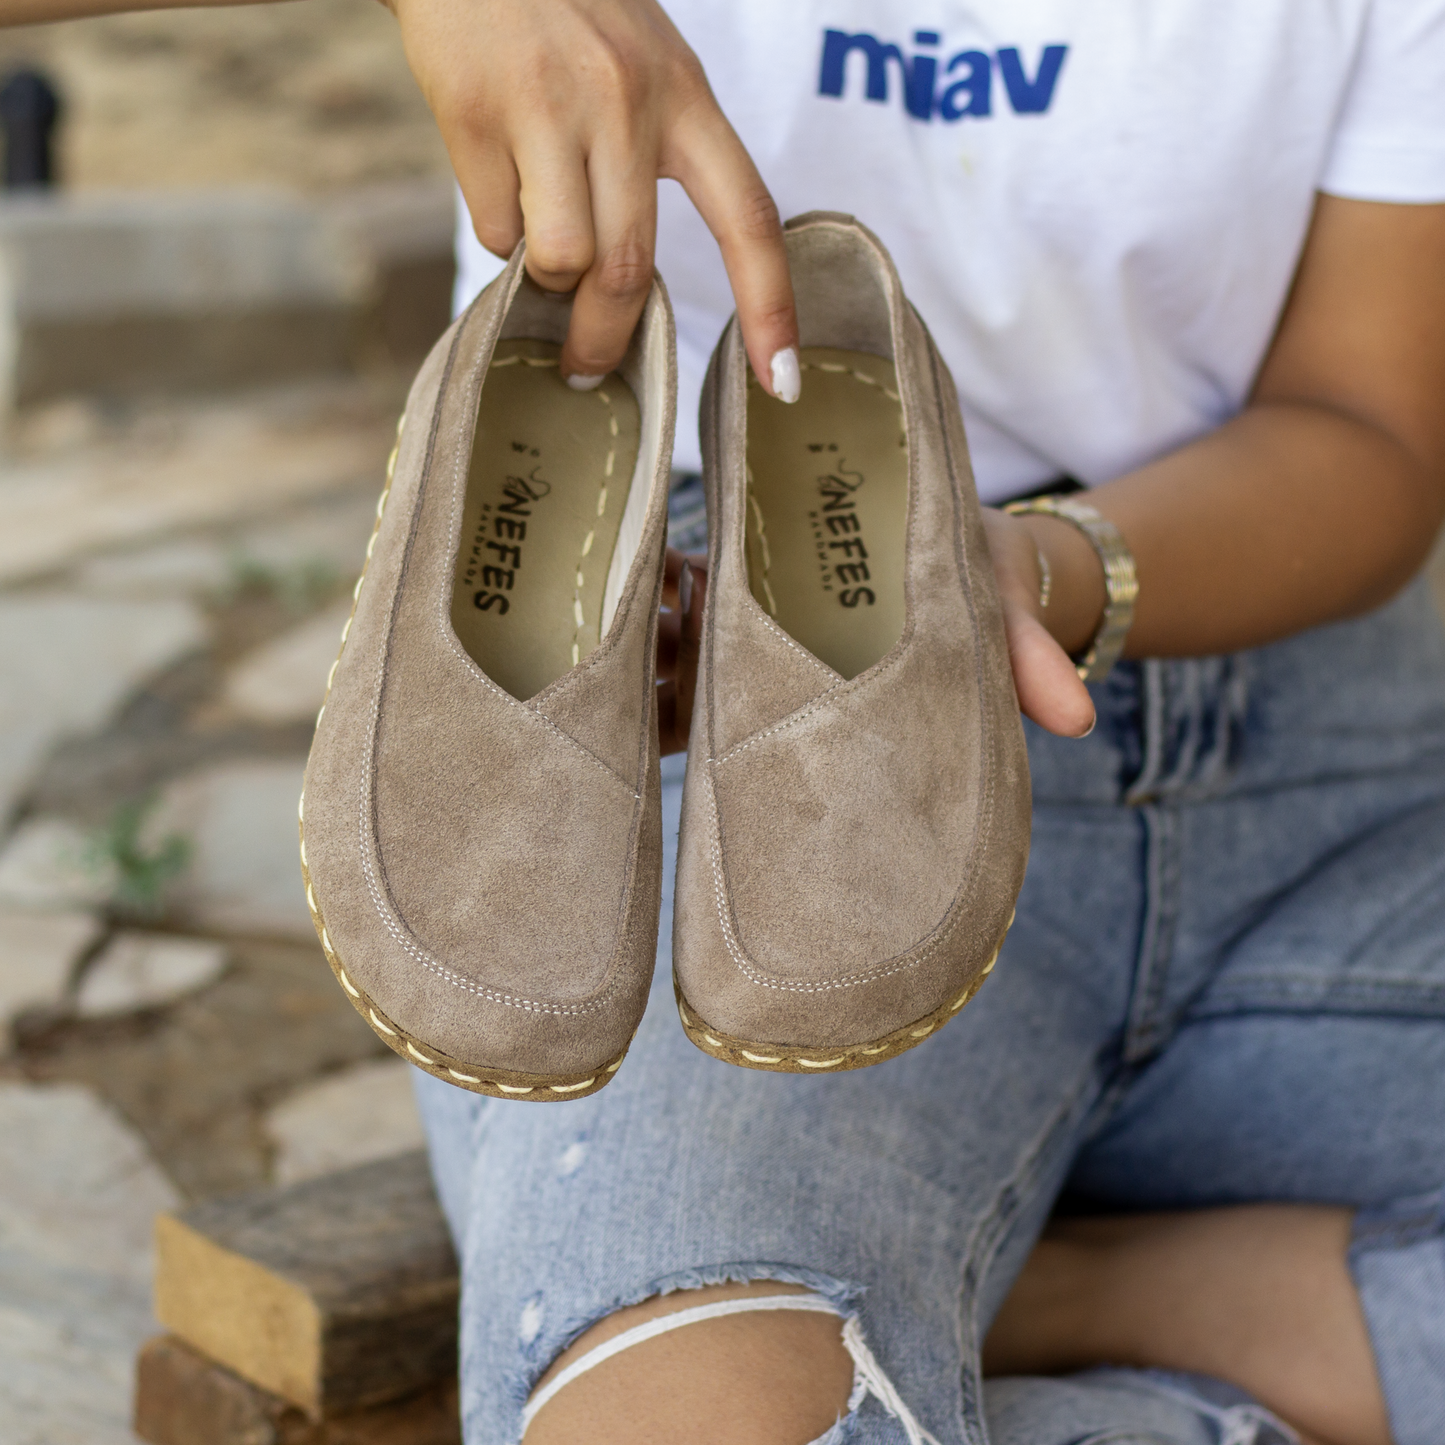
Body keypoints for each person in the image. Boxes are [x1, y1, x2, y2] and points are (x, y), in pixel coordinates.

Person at [11, 2, 1444, 1442]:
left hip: (1304, 742)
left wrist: (1017, 571)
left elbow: (1365, 423)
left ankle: (1039, 1297)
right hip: (722, 667)